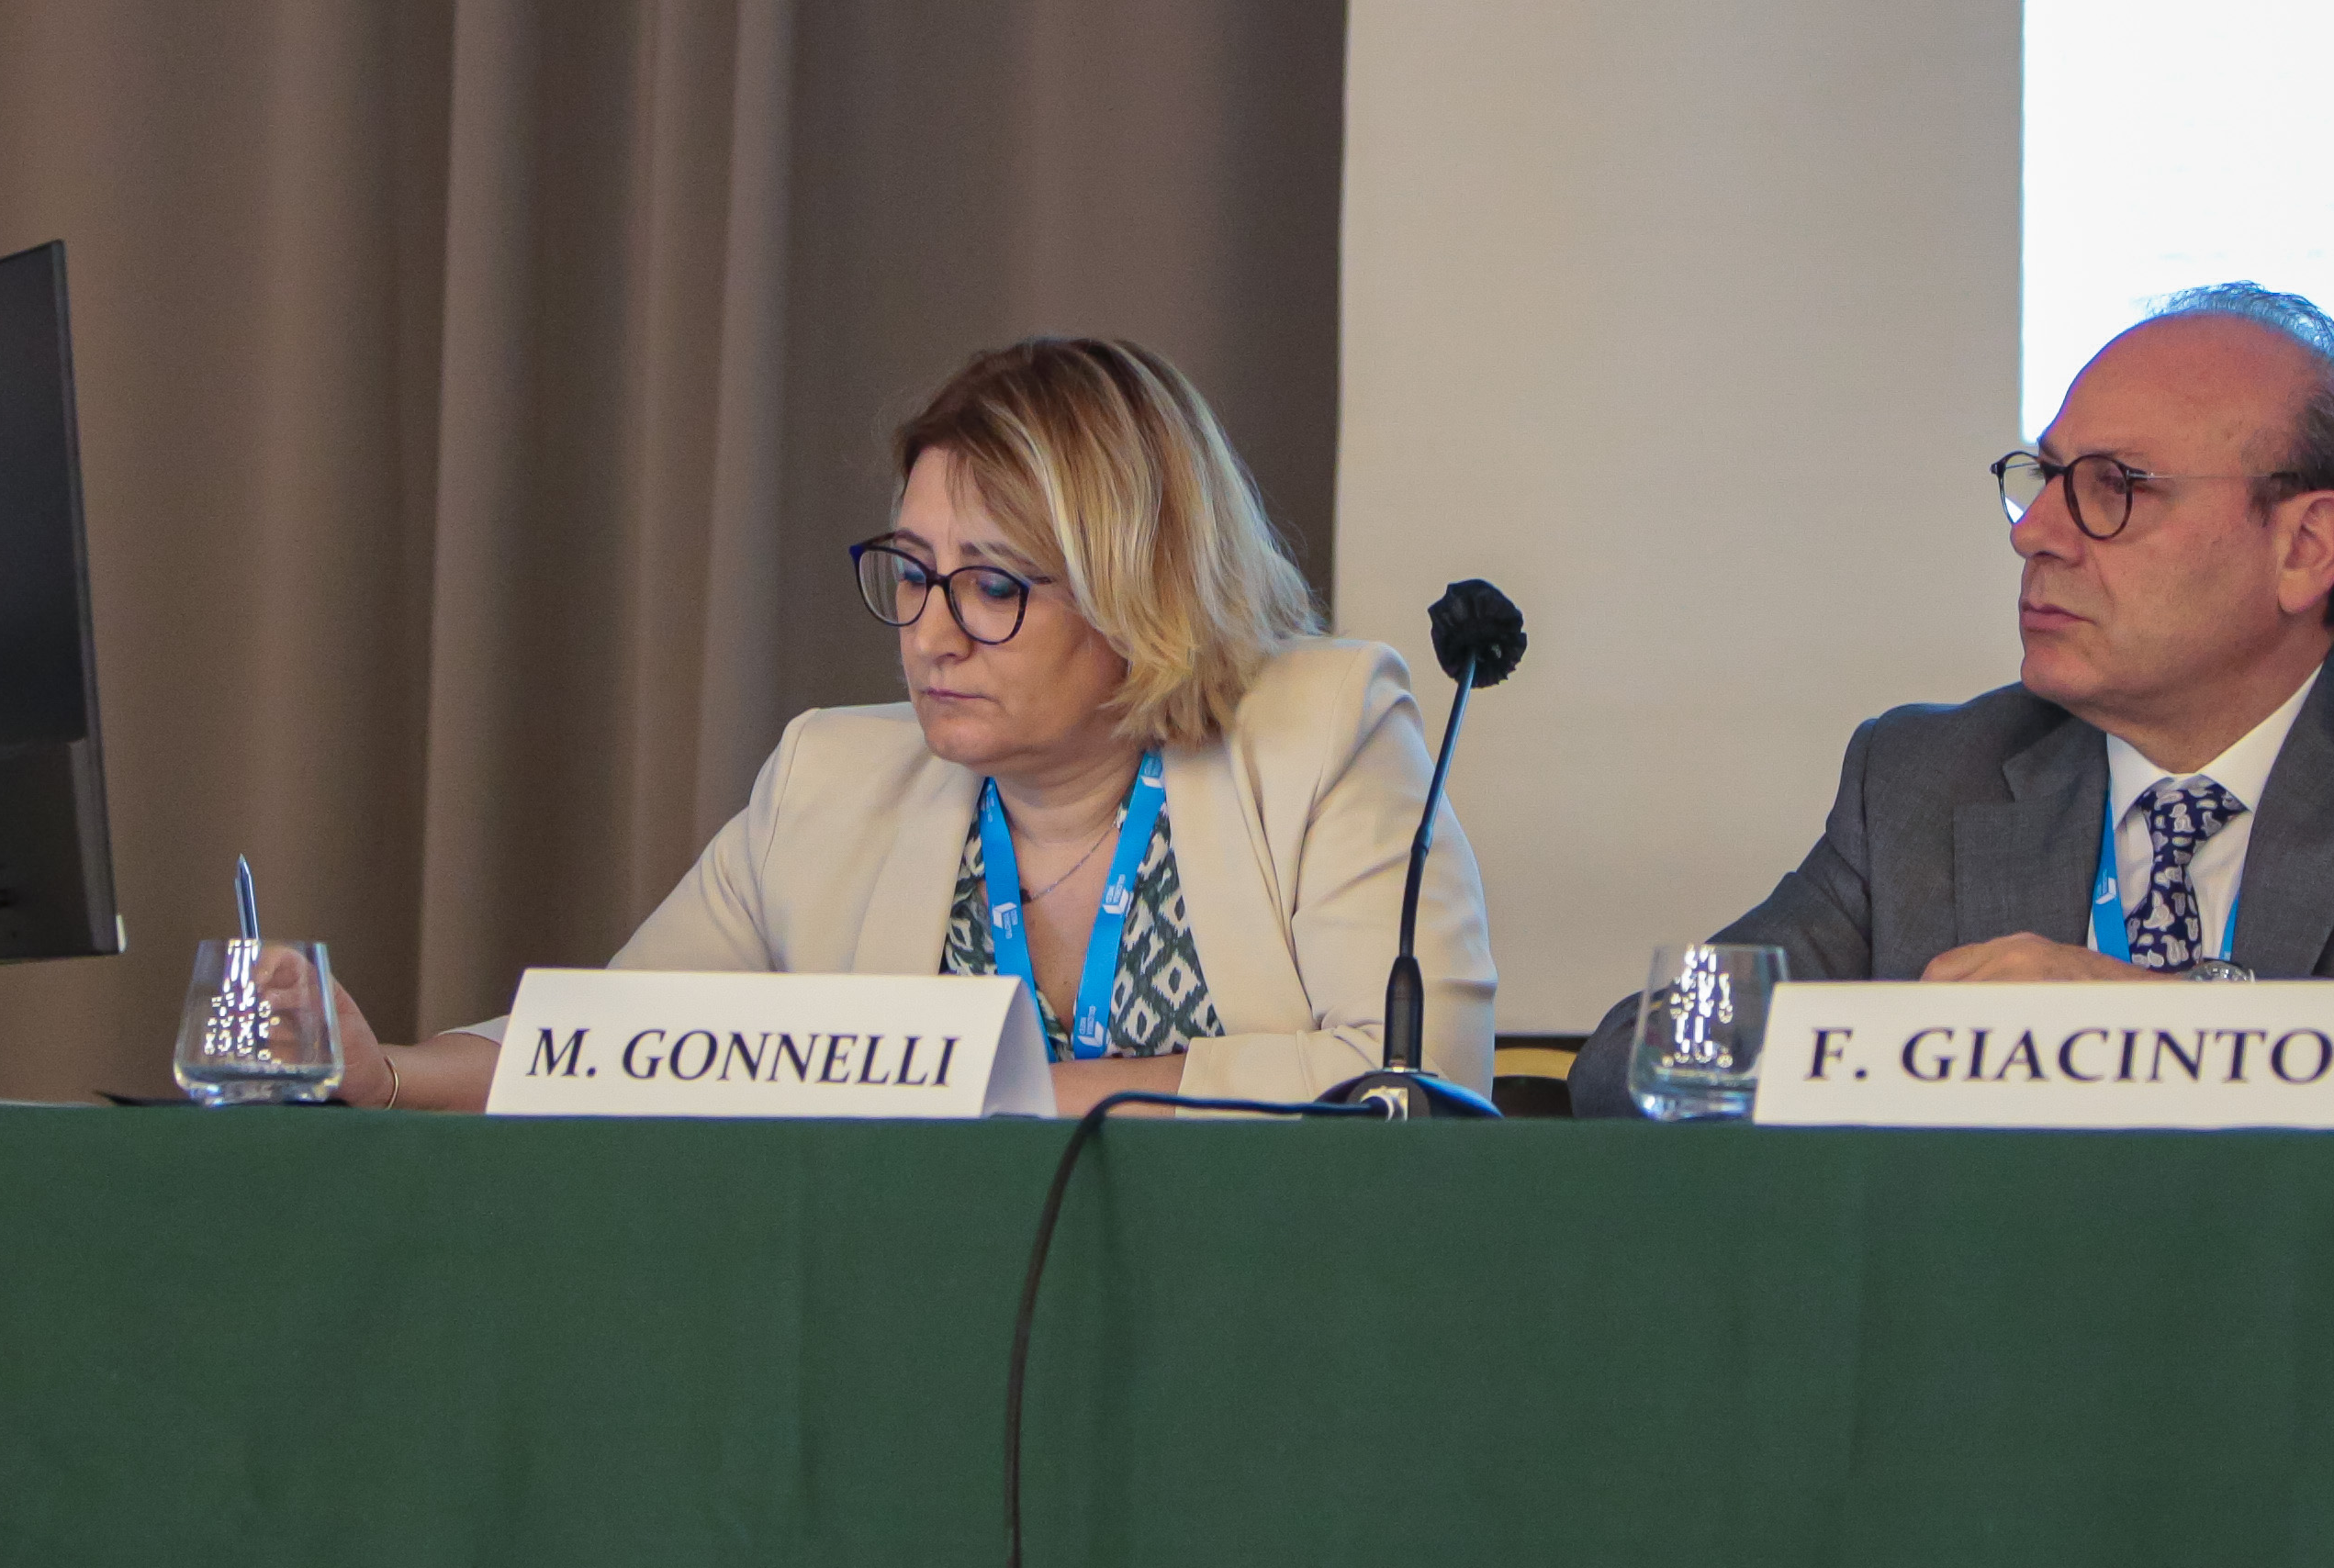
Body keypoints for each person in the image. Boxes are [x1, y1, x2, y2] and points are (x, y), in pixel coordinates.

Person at [1574, 286, 2334, 1125]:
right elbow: (1642, 1055)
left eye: (2115, 488)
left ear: (2304, 548)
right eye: (2043, 478)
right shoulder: (1927, 775)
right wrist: (1911, 1049)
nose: (2036, 533)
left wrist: (2158, 1024)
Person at [342, 336, 1486, 1114]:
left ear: (1141, 592)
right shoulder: (830, 782)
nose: (930, 636)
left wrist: (1006, 1097)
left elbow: (1412, 1085)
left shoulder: (1326, 737)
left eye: (991, 585)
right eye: (911, 571)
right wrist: (384, 1072)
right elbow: (616, 1049)